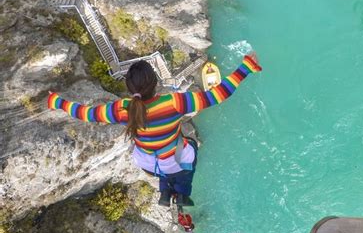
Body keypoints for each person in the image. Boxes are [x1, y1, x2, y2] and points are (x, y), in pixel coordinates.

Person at [47, 53, 262, 207]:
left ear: (130, 89)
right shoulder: (175, 103)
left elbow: (85, 113)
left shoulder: (123, 109)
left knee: (164, 161)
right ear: (156, 82)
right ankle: (181, 195)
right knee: (190, 149)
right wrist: (245, 67)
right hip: (174, 161)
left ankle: (165, 192)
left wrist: (57, 102)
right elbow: (219, 94)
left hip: (147, 162)